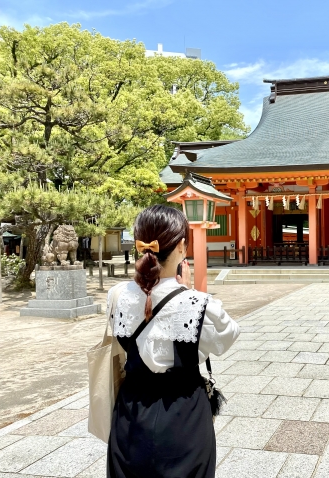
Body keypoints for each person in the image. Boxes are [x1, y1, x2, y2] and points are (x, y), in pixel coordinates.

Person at [107, 204, 239, 478]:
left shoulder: (117, 295)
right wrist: (188, 291)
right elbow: (227, 338)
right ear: (182, 247)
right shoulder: (201, 304)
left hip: (130, 414)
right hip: (184, 415)